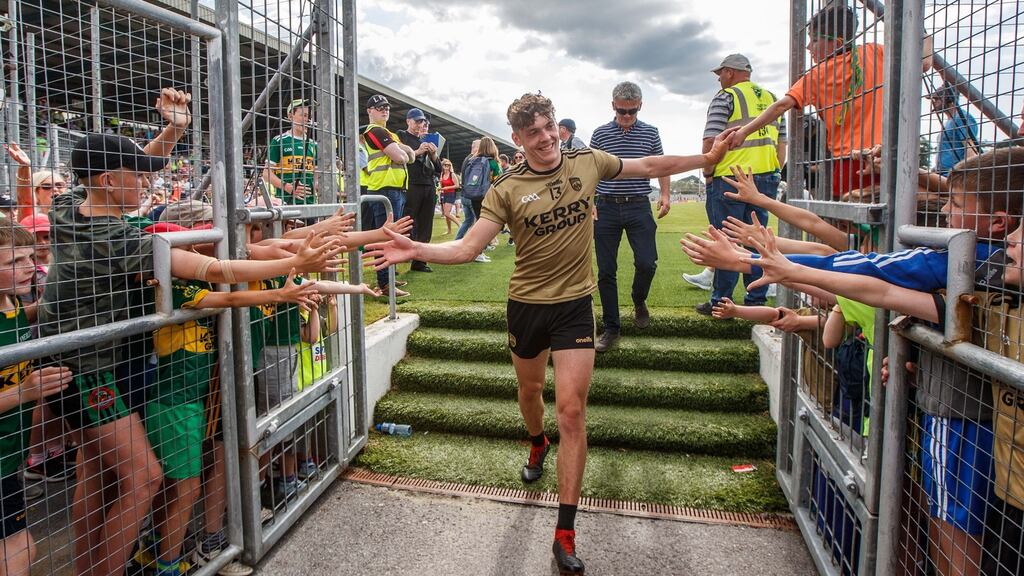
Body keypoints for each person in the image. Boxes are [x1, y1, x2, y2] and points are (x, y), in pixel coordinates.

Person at [366, 92, 732, 575]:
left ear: (556, 126)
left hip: (576, 307)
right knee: (531, 391)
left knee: (573, 410)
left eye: (548, 127)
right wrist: (416, 249)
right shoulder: (507, 187)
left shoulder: (587, 160)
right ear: (517, 139)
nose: (544, 139)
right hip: (527, 308)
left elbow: (647, 163)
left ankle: (564, 533)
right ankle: (536, 440)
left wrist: (706, 158)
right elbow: (468, 246)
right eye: (532, 133)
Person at [37, 88, 345, 576]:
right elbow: (209, 268)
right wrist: (294, 263)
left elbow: (122, 171)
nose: (147, 179)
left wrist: (174, 131)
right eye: (137, 175)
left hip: (77, 362)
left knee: (98, 474)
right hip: (87, 369)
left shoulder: (71, 205)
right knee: (143, 478)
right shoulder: (115, 237)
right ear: (110, 180)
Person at [726, 4, 884, 199]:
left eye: (815, 40)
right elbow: (925, 61)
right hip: (885, 157)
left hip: (849, 162)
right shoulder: (876, 52)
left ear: (837, 43)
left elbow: (782, 105)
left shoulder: (818, 75)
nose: (809, 46)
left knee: (845, 224)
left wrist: (743, 132)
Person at [0, 221, 74, 576]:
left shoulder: (10, 303)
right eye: (14, 261)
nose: (29, 266)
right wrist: (24, 392)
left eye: (30, 257)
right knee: (20, 548)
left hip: (7, 455)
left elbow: (15, 321)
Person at [696, 53, 787, 316]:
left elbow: (710, 140)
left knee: (726, 240)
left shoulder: (727, 97)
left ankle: (721, 302)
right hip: (765, 179)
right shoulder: (771, 98)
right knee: (757, 240)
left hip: (730, 178)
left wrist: (708, 171)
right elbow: (782, 144)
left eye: (720, 74)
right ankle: (755, 300)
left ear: (730, 72)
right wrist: (773, 173)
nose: (719, 79)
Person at [589, 81, 669, 352]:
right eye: (622, 111)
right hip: (607, 206)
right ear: (613, 105)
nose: (626, 117)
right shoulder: (600, 134)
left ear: (640, 107)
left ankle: (638, 299)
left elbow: (661, 165)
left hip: (638, 205)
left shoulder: (650, 132)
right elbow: (590, 170)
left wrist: (666, 195)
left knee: (648, 263)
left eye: (632, 111)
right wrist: (590, 201)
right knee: (606, 271)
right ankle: (612, 327)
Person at [361, 94, 415, 296]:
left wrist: (403, 151)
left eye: (387, 108)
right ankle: (384, 284)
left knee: (392, 237)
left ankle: (388, 279)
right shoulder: (374, 130)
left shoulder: (389, 133)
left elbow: (409, 156)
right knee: (385, 238)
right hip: (383, 190)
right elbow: (401, 156)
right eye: (379, 107)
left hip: (394, 190)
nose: (385, 110)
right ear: (369, 111)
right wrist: (402, 151)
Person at [397, 108, 441, 272]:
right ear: (408, 121)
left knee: (425, 224)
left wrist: (434, 154)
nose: (420, 125)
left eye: (422, 122)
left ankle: (419, 261)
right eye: (417, 121)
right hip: (411, 185)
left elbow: (438, 169)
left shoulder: (428, 140)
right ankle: (400, 256)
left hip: (428, 185)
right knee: (407, 223)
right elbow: (399, 157)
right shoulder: (401, 135)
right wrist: (418, 151)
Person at [264, 98, 318, 206]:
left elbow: (316, 174)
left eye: (309, 116)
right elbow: (266, 173)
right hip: (287, 204)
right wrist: (287, 187)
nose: (307, 119)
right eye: (303, 115)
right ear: (290, 116)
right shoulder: (279, 141)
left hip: (310, 204)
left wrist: (317, 185)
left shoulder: (314, 144)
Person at [460, 137, 502, 263]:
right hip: (487, 196)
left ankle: (478, 251)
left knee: (478, 223)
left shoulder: (472, 160)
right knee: (485, 226)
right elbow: (499, 180)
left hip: (474, 195)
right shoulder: (493, 162)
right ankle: (477, 252)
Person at [4, 143, 68, 222]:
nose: (55, 189)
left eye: (59, 185)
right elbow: (25, 202)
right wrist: (25, 166)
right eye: (46, 187)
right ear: (35, 193)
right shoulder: (31, 219)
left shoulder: (76, 212)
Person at [929, 82, 979, 176]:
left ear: (948, 98)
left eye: (936, 99)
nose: (933, 102)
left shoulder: (961, 117)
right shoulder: (949, 121)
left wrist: (963, 178)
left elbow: (971, 150)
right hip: (942, 174)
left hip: (953, 176)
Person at [454, 139, 480, 241]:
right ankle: (479, 247)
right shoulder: (475, 159)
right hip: (471, 196)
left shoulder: (467, 158)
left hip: (464, 195)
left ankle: (457, 240)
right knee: (478, 222)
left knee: (468, 221)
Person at [437, 159, 461, 236]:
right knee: (446, 215)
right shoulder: (442, 174)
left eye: (448, 165)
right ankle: (449, 230)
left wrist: (446, 188)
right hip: (444, 194)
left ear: (450, 166)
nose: (447, 166)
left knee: (447, 213)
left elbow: (457, 185)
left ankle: (460, 225)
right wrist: (440, 186)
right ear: (442, 166)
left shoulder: (452, 174)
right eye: (445, 165)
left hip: (451, 194)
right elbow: (441, 185)